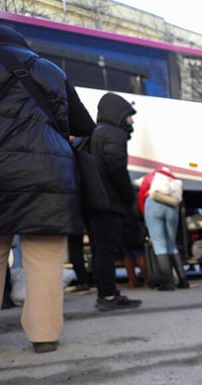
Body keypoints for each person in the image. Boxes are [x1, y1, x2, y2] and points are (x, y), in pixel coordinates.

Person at [0, 23, 95, 354]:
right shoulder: (51, 69)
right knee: (44, 250)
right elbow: (83, 125)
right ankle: (44, 335)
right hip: (51, 169)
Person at [88, 92, 142, 310]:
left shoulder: (94, 133)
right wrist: (129, 196)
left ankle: (105, 293)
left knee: (100, 249)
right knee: (107, 250)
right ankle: (109, 296)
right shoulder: (114, 134)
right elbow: (117, 168)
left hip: (94, 201)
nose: (131, 121)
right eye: (128, 116)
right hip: (110, 202)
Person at [143, 167, 189, 290]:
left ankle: (167, 282)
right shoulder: (173, 181)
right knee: (171, 245)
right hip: (172, 208)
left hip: (154, 206)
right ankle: (183, 280)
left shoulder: (150, 178)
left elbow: (142, 192)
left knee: (159, 244)